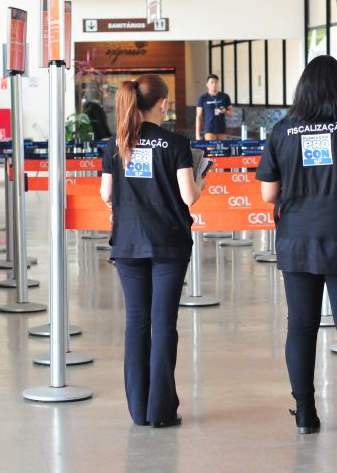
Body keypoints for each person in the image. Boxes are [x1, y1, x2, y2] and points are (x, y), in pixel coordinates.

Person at [255, 55, 337, 439]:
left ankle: (305, 415)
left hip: (297, 240)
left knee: (300, 327)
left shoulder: (281, 131)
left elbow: (268, 194)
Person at [100, 74, 205, 427]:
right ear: (163, 103)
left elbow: (105, 194)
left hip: (128, 243)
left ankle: (138, 409)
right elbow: (189, 196)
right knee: (163, 323)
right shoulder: (176, 145)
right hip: (168, 243)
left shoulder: (117, 145)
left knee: (137, 322)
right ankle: (161, 410)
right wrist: (202, 179)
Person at [195, 74, 233, 141]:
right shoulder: (203, 98)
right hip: (209, 129)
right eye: (212, 82)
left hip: (221, 130)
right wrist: (197, 134)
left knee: (222, 151)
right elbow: (198, 116)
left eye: (216, 82)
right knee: (212, 150)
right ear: (207, 84)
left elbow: (231, 113)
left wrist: (225, 111)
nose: (214, 84)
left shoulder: (225, 96)